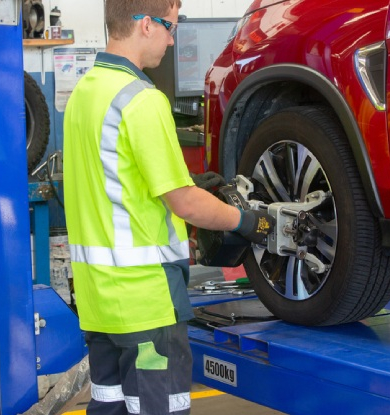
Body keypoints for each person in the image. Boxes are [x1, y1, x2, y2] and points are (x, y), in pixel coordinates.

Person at [62, 1, 275, 414]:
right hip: (147, 305)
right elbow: (185, 205)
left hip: (98, 303)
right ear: (146, 25)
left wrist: (186, 183)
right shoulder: (142, 99)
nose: (172, 39)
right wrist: (250, 222)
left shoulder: (85, 94)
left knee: (109, 407)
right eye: (170, 27)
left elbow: (116, 182)